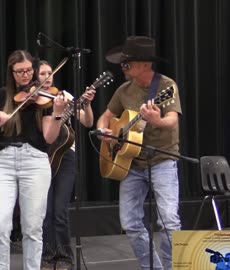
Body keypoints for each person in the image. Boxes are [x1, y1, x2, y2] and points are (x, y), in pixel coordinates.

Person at [0, 50, 69, 270]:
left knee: (32, 228)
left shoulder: (45, 99)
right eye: (19, 71)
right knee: (1, 225)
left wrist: (58, 112)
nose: (25, 75)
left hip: (35, 162)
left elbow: (49, 137)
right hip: (3, 162)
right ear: (11, 73)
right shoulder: (3, 95)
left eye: (29, 70)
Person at [96, 36, 182, 270]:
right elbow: (106, 116)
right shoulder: (123, 90)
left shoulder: (166, 87)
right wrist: (103, 129)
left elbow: (172, 121)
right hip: (131, 163)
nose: (122, 68)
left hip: (162, 159)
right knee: (131, 223)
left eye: (127, 64)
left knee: (169, 222)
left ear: (144, 65)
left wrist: (157, 120)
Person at [37, 60, 96, 270]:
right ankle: (47, 254)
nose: (48, 76)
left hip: (65, 157)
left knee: (60, 211)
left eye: (50, 72)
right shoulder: (33, 100)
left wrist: (86, 104)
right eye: (42, 73)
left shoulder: (65, 96)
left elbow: (87, 122)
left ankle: (64, 256)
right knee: (45, 212)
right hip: (41, 158)